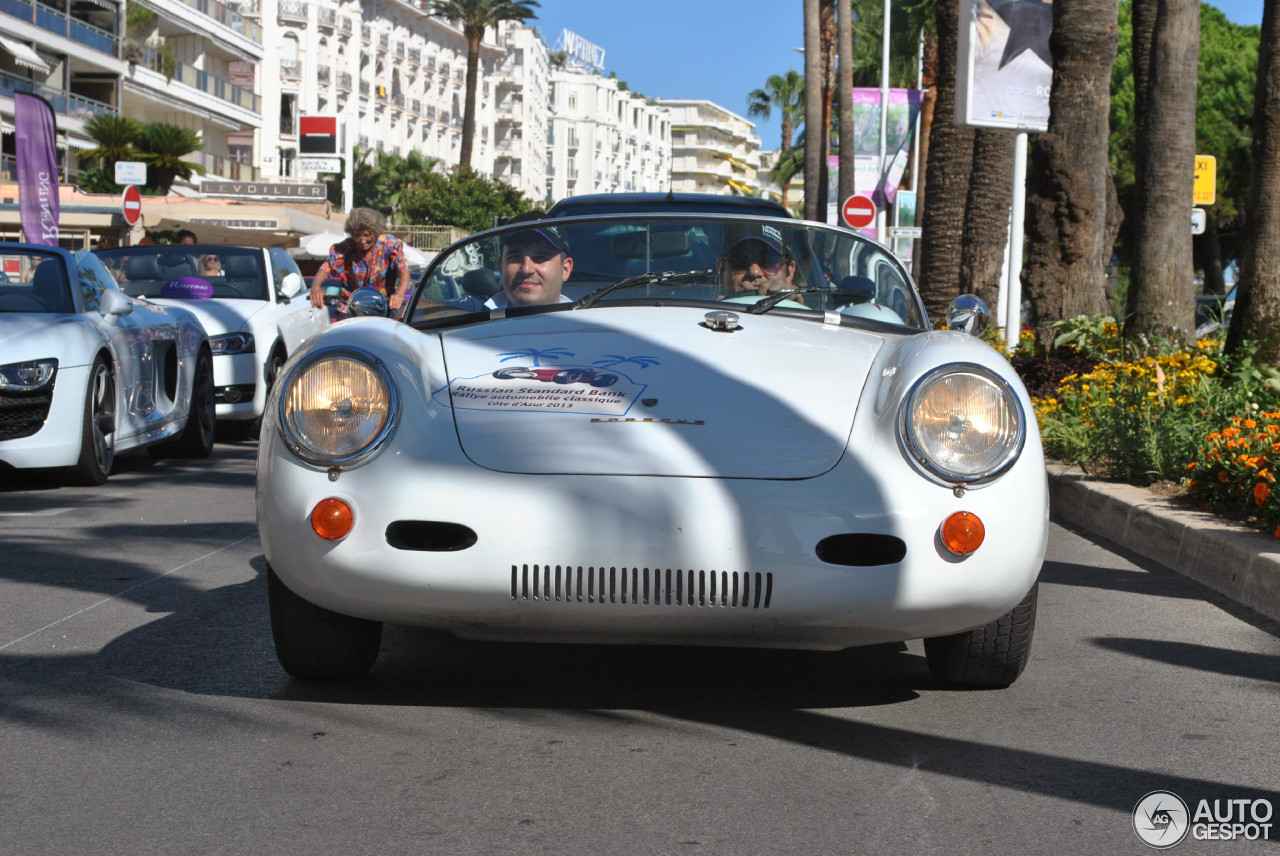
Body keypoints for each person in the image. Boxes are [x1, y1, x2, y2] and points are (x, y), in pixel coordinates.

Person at [308, 207, 410, 315]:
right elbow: (326, 268)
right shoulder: (345, 248)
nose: (362, 241)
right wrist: (316, 288)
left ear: (376, 232)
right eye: (358, 236)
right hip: (350, 307)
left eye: (366, 235)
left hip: (383, 307)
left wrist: (400, 293)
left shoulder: (389, 244)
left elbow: (404, 271)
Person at [491, 224, 573, 308]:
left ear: (565, 269)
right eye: (515, 257)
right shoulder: (479, 317)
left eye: (540, 257)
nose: (526, 269)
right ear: (501, 267)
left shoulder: (583, 318)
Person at [717, 222, 797, 298]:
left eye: (769, 261)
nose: (754, 272)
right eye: (740, 260)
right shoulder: (706, 309)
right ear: (721, 270)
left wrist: (796, 307)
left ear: (789, 272)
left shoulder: (803, 309)